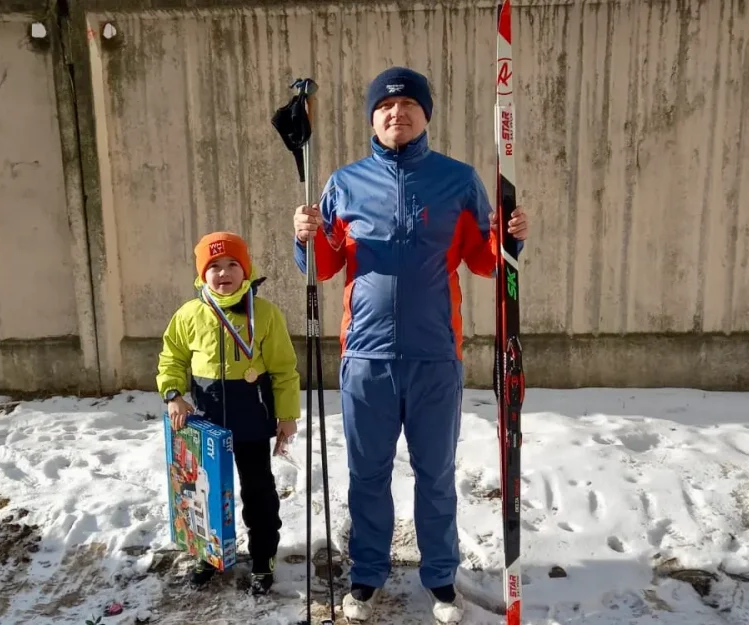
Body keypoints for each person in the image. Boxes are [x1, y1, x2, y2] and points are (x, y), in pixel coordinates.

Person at [291, 66, 529, 624]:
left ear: (426, 114)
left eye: (408, 105)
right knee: (367, 476)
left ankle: (441, 579)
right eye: (385, 106)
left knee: (436, 474)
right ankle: (367, 575)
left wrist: (510, 238)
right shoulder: (344, 184)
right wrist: (306, 237)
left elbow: (485, 261)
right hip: (366, 361)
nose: (396, 113)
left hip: (434, 358)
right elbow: (323, 267)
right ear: (373, 117)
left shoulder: (458, 180)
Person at [156, 231, 301, 596]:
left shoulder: (265, 314)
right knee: (203, 494)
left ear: (246, 269)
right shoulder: (189, 314)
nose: (224, 273)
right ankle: (208, 553)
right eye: (214, 266)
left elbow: (284, 370)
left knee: (258, 492)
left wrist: (286, 416)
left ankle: (263, 557)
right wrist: (173, 394)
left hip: (251, 421)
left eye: (232, 264)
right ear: (202, 274)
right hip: (205, 425)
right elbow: (171, 357)